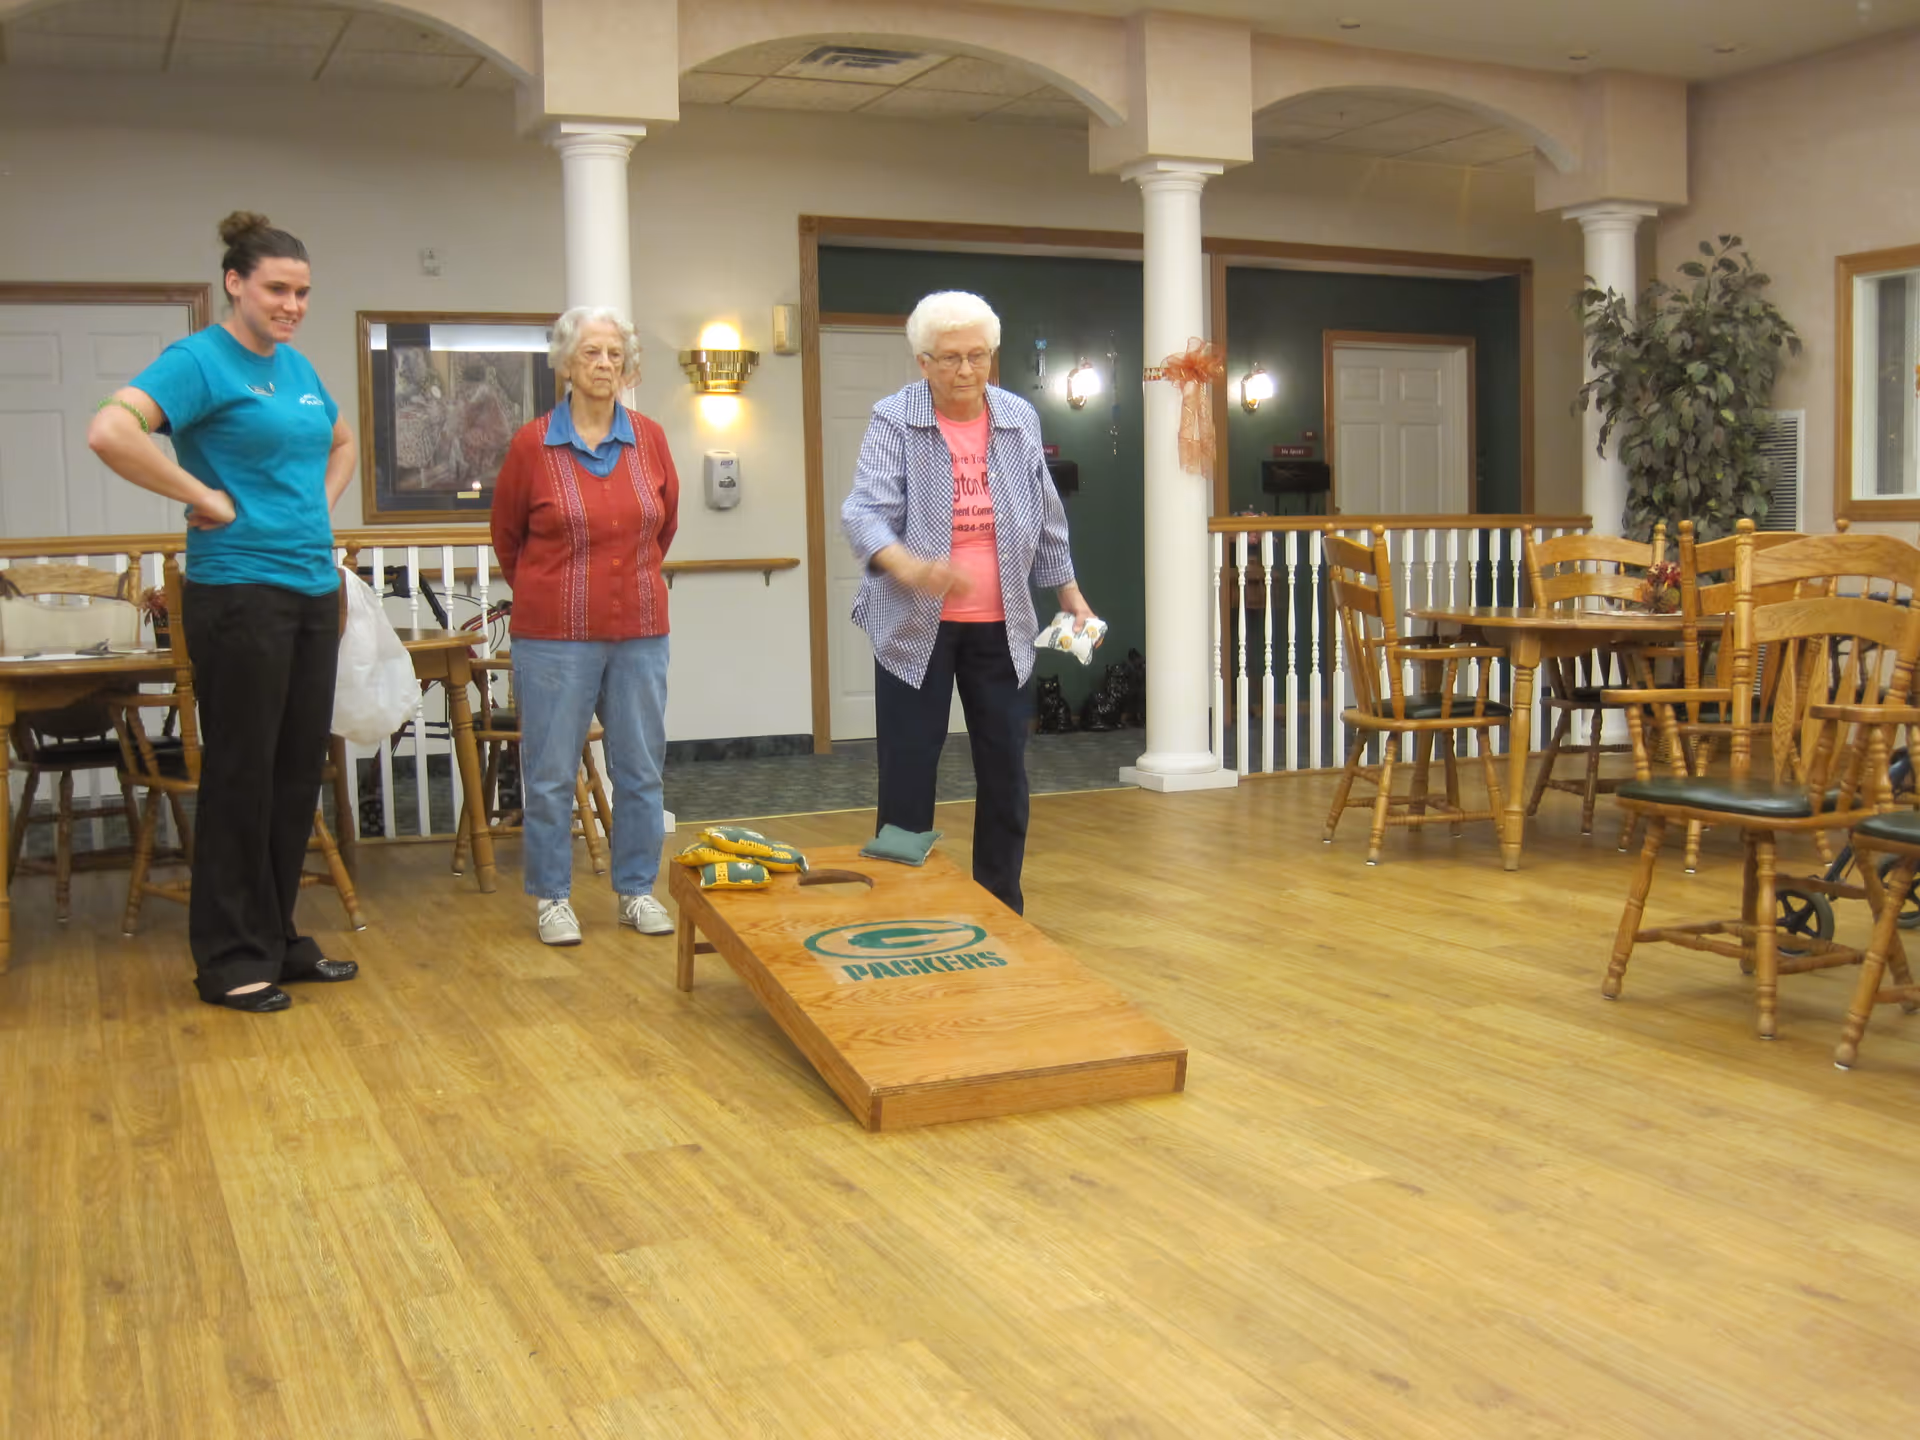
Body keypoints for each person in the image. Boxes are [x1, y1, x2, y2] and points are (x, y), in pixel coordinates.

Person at [86, 211, 358, 1013]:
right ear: (235, 284)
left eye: (303, 292)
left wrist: (314, 509)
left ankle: (275, 938)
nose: (292, 304)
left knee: (293, 773)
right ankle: (229, 958)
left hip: (310, 587)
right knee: (242, 775)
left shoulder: (298, 367)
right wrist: (203, 495)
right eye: (277, 289)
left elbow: (341, 441)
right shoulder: (199, 361)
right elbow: (111, 431)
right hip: (238, 592)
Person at [842, 290, 1097, 914]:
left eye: (977, 357)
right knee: (908, 773)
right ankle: (903, 904)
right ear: (923, 361)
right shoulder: (894, 417)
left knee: (1006, 772)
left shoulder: (1017, 417)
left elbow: (1045, 512)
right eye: (950, 359)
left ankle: (1001, 903)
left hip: (1001, 626)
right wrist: (910, 565)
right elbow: (864, 510)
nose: (965, 372)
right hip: (913, 629)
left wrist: (1069, 590)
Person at [490, 307, 679, 945]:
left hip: (641, 630)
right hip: (553, 635)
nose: (604, 365)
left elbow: (665, 524)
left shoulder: (650, 438)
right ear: (566, 363)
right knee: (548, 772)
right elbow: (508, 538)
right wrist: (554, 595)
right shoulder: (532, 443)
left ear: (627, 366)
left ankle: (635, 891)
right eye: (591, 354)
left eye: (614, 354)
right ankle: (552, 898)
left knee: (641, 769)